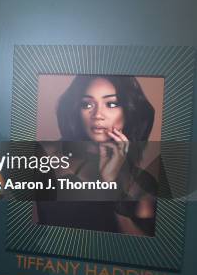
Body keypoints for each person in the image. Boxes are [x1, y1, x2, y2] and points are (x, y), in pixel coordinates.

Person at [36, 75, 159, 236]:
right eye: (87, 104)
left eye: (111, 104)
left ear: (129, 111)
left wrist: (110, 187)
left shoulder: (143, 183)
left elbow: (143, 252)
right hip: (45, 259)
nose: (97, 114)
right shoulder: (45, 153)